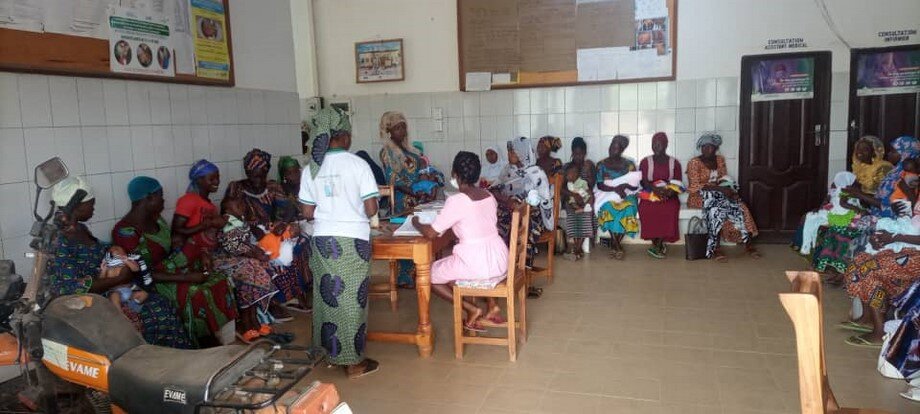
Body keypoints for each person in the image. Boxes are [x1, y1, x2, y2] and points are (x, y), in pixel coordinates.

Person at [47, 176, 191, 348]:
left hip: (109, 287)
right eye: (91, 204)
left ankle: (172, 360)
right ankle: (146, 365)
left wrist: (116, 251)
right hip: (89, 304)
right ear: (77, 206)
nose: (93, 207)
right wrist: (118, 279)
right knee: (155, 311)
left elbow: (96, 250)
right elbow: (69, 288)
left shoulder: (79, 229)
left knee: (160, 303)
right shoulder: (59, 241)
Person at [299, 107, 380, 379]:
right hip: (352, 242)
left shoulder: (310, 168)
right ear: (343, 136)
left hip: (322, 241)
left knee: (326, 299)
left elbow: (307, 213)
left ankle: (329, 354)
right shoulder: (358, 165)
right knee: (351, 301)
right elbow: (371, 209)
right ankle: (353, 362)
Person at [113, 176, 237, 347]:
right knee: (196, 292)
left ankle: (223, 339)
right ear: (148, 199)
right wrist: (188, 278)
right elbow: (142, 273)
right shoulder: (125, 232)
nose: (164, 200)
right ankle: (202, 344)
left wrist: (201, 254)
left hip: (170, 270)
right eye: (160, 196)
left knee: (220, 280)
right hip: (150, 281)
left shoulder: (158, 221)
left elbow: (176, 248)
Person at [411, 152, 508, 331]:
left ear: (455, 174)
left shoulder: (457, 201)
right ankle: (492, 306)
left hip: (477, 264)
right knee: (447, 265)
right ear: (477, 174)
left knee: (423, 274)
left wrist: (416, 222)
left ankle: (471, 309)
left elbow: (431, 234)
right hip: (500, 260)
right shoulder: (488, 196)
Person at [226, 148, 311, 319]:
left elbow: (285, 210)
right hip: (247, 235)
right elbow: (228, 214)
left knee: (300, 241)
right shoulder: (236, 188)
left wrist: (282, 225)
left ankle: (296, 294)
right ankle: (280, 299)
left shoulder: (272, 187)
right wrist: (252, 228)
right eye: (255, 176)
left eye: (262, 175)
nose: (259, 180)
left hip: (271, 231)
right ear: (247, 172)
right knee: (270, 253)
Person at [843, 199, 920, 348]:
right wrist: (880, 239)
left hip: (914, 255)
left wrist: (894, 237)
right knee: (860, 261)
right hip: (907, 249)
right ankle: (868, 317)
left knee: (872, 270)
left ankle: (880, 332)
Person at [378, 111, 435, 288]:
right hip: (403, 200)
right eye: (397, 127)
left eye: (403, 126)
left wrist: (425, 186)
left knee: (418, 236)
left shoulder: (410, 150)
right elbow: (392, 179)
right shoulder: (387, 153)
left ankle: (419, 274)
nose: (402, 130)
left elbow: (420, 171)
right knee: (406, 238)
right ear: (388, 131)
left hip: (416, 198)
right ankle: (405, 278)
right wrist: (413, 191)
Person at [493, 137, 553, 297]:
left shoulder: (536, 172)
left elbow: (545, 199)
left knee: (524, 231)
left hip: (531, 213)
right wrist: (507, 200)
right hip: (508, 212)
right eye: (508, 151)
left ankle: (524, 283)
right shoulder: (507, 170)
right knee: (494, 230)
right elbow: (495, 188)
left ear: (522, 152)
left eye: (512, 151)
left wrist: (523, 203)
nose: (509, 154)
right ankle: (499, 277)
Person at [686, 133, 760, 261]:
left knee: (740, 205)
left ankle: (748, 244)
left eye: (710, 147)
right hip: (698, 197)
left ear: (715, 148)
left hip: (719, 194)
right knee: (716, 209)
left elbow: (723, 179)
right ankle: (716, 248)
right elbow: (695, 185)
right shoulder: (694, 162)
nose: (706, 150)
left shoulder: (719, 160)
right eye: (703, 147)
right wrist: (720, 189)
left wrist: (730, 190)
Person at [214, 196, 278, 342]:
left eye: (241, 203)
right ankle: (246, 322)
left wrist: (258, 252)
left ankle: (254, 319)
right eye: (237, 204)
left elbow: (247, 243)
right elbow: (233, 246)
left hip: (240, 257)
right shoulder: (228, 221)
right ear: (228, 209)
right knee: (249, 272)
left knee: (258, 266)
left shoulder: (240, 220)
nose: (242, 206)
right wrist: (254, 254)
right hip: (226, 259)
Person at [638, 132, 683, 258]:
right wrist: (655, 190)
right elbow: (643, 181)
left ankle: (657, 244)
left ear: (666, 145)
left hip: (668, 194)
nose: (656, 147)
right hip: (651, 193)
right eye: (654, 145)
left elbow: (678, 183)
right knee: (645, 208)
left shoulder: (674, 163)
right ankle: (657, 244)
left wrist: (669, 192)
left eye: (659, 144)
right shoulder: (645, 162)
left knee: (670, 209)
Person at [172, 159, 226, 261]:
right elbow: (177, 231)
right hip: (190, 255)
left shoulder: (211, 206)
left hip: (208, 253)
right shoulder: (188, 200)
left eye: (218, 177)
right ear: (198, 180)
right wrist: (208, 224)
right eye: (212, 178)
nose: (217, 181)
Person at [596, 135, 640, 260]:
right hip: (608, 194)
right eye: (611, 146)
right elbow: (600, 185)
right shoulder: (601, 165)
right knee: (608, 208)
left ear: (621, 150)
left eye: (616, 148)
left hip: (626, 194)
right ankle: (617, 245)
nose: (612, 149)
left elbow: (634, 185)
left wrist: (625, 185)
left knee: (629, 208)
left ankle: (615, 244)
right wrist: (615, 188)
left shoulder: (629, 164)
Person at [560, 137, 596, 261]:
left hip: (585, 198)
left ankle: (576, 249)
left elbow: (592, 185)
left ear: (585, 153)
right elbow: (561, 188)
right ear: (572, 153)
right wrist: (573, 195)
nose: (578, 157)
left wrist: (587, 172)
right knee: (574, 215)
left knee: (586, 214)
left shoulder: (589, 165)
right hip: (571, 200)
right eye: (575, 154)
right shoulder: (567, 168)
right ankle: (578, 248)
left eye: (580, 154)